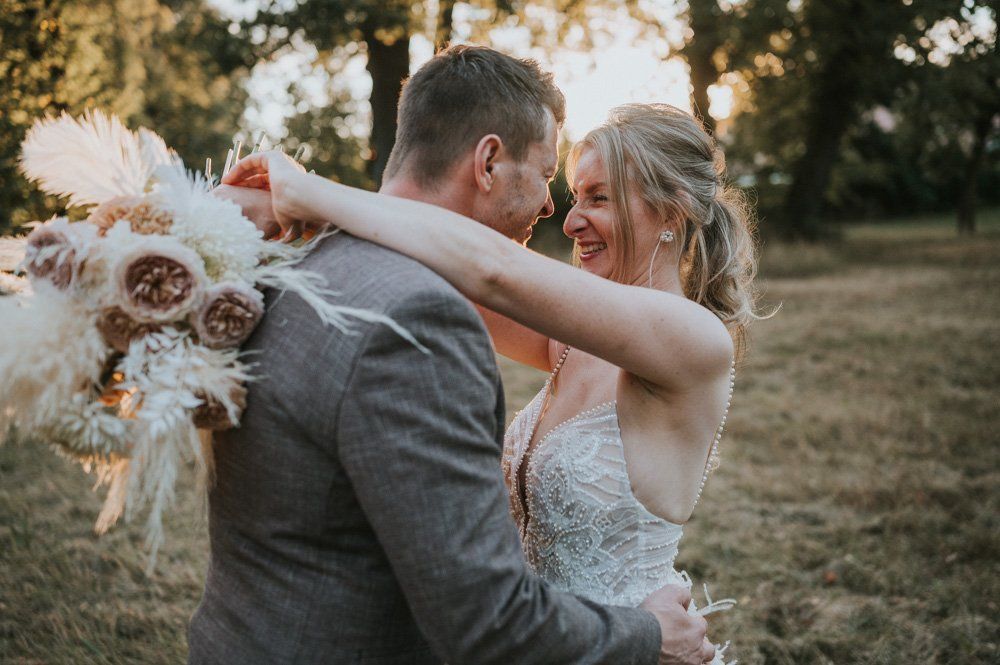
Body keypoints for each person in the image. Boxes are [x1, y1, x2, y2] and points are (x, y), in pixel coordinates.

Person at [195, 45, 717, 665]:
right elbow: (451, 256)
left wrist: (307, 193)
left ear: (672, 208)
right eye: (573, 193)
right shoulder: (569, 339)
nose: (565, 217)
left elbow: (490, 268)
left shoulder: (691, 337)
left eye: (598, 198)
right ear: (488, 161)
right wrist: (283, 216)